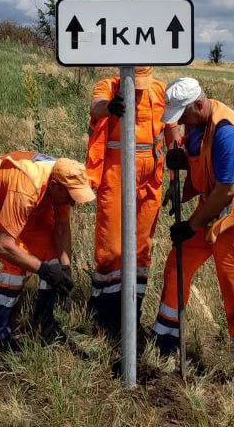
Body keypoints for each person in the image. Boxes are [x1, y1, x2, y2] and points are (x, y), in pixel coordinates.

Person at [152, 77, 234, 402]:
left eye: (184, 116)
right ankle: (164, 340)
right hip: (211, 210)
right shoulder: (198, 126)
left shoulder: (227, 133)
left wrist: (191, 225)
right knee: (177, 266)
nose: (181, 123)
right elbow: (201, 171)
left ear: (200, 105)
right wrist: (183, 189)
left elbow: (225, 190)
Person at [0, 150, 95, 352]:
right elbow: (5, 246)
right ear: (55, 187)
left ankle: (44, 324)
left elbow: (62, 227)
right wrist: (44, 270)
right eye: (72, 197)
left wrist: (65, 269)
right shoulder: (27, 187)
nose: (74, 202)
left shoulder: (61, 181)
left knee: (51, 254)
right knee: (16, 262)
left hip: (18, 196)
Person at [86, 66, 176, 336]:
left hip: (151, 179)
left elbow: (171, 131)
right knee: (111, 248)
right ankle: (105, 316)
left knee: (141, 250)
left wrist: (176, 167)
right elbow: (96, 106)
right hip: (116, 174)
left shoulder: (160, 90)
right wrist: (110, 107)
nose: (138, 89)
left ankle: (131, 318)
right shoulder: (108, 86)